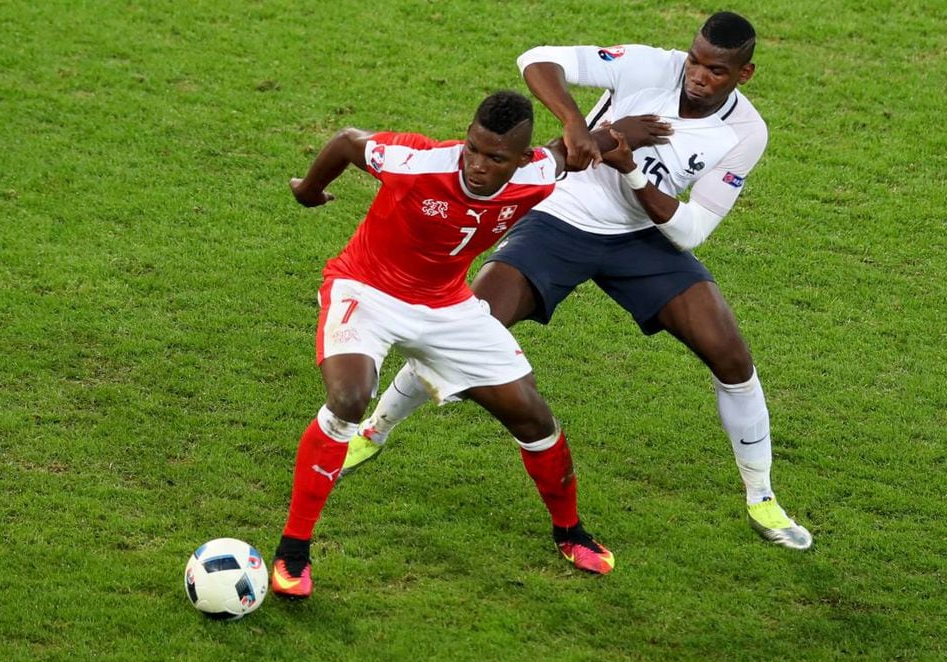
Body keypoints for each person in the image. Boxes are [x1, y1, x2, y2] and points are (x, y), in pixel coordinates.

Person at [346, 13, 813, 551]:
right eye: (694, 61)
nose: (698, 76)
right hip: (560, 219)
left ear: (744, 74)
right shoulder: (646, 65)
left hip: (644, 239)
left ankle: (761, 496)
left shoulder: (746, 133)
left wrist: (629, 166)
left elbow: (691, 230)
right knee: (469, 320)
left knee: (730, 354)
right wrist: (573, 123)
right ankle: (372, 431)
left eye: (716, 70)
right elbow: (536, 58)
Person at [272, 91, 671, 600]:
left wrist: (626, 133)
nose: (478, 166)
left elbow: (576, 148)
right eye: (473, 150)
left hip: (448, 307)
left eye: (496, 158)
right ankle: (294, 550)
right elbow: (349, 142)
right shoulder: (416, 162)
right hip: (369, 289)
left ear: (521, 159)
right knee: (350, 397)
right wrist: (308, 189)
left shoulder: (538, 173)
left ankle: (569, 531)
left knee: (531, 414)